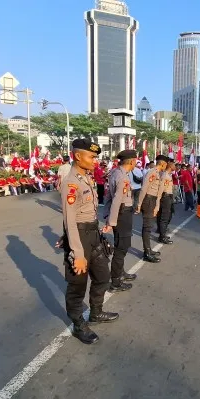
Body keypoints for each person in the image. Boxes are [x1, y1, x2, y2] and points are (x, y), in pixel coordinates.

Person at [60, 138, 118, 344]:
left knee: (103, 276)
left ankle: (96, 312)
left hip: (93, 234)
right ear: (77, 156)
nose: (95, 161)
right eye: (92, 156)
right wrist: (76, 252)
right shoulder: (71, 182)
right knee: (78, 284)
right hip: (80, 237)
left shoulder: (87, 178)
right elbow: (70, 219)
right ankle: (78, 324)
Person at [103, 150, 138, 293]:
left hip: (123, 212)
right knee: (122, 247)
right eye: (135, 160)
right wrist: (111, 221)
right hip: (122, 214)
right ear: (131, 161)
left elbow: (108, 197)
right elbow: (116, 199)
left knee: (122, 244)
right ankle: (115, 281)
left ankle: (120, 273)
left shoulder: (117, 173)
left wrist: (106, 214)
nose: (136, 162)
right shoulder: (121, 176)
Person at [137, 155, 166, 263]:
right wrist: (139, 203)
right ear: (162, 164)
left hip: (152, 199)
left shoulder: (158, 173)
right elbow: (144, 188)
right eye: (165, 164)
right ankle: (146, 252)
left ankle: (148, 249)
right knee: (147, 227)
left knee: (149, 226)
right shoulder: (152, 172)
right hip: (148, 200)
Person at [157, 160, 175, 244]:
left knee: (165, 216)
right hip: (165, 197)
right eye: (174, 165)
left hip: (168, 196)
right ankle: (162, 236)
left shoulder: (168, 175)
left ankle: (162, 234)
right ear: (170, 167)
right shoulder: (165, 176)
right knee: (164, 217)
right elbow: (161, 188)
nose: (175, 167)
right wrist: (158, 199)